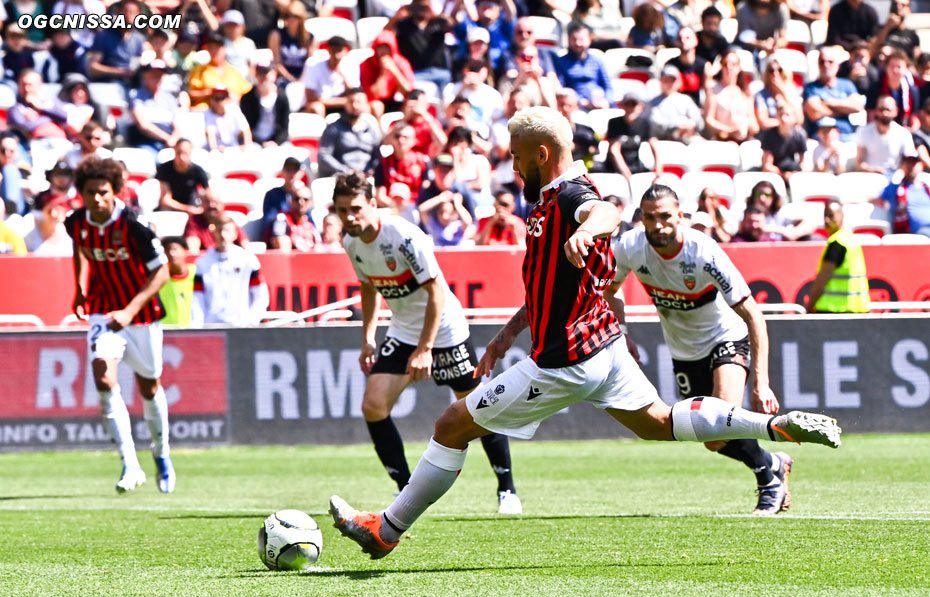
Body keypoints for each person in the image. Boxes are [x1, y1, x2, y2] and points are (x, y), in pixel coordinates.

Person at [328, 106, 842, 560]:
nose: (512, 166)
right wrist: (507, 334)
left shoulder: (573, 194)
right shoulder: (551, 197)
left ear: (542, 153)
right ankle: (772, 429)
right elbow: (552, 285)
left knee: (450, 426)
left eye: (516, 157)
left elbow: (608, 211)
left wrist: (586, 229)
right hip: (607, 349)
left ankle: (385, 530)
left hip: (565, 362)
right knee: (659, 422)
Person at [332, 170, 521, 512]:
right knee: (373, 406)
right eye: (342, 210)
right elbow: (369, 287)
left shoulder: (404, 236)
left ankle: (507, 489)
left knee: (478, 409)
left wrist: (425, 349)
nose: (350, 217)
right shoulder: (350, 242)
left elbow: (436, 292)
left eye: (356, 208)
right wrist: (368, 338)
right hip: (403, 331)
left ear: (373, 204)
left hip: (445, 330)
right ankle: (406, 489)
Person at [608, 185, 793, 515]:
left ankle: (769, 483)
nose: (658, 224)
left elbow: (753, 313)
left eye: (665, 216)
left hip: (725, 338)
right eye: (650, 218)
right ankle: (773, 462)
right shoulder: (630, 247)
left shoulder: (703, 252)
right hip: (683, 351)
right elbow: (610, 291)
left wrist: (760, 382)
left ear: (680, 216)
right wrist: (622, 332)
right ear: (642, 219)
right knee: (711, 439)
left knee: (721, 419)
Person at [65, 156, 175, 494]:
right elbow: (80, 250)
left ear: (114, 191)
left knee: (149, 387)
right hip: (102, 310)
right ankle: (130, 463)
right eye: (90, 193)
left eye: (103, 192)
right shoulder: (76, 222)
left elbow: (163, 272)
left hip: (140, 315)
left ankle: (161, 454)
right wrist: (80, 289)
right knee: (103, 375)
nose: (96, 199)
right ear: (81, 194)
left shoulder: (134, 225)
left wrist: (129, 310)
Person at [191, 216, 269, 327]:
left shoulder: (248, 260)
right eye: (219, 230)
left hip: (241, 326)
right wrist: (198, 324)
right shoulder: (202, 263)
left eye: (227, 231)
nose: (223, 235)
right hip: (212, 327)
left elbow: (260, 294)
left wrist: (252, 319)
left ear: (235, 234)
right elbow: (197, 298)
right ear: (213, 233)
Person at [804, 200, 870, 313]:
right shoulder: (851, 240)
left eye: (830, 215)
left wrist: (809, 306)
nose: (826, 220)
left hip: (834, 311)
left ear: (841, 215)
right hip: (856, 311)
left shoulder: (837, 243)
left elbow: (822, 279)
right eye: (825, 216)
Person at [802, 46, 864, 142]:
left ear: (837, 65)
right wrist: (843, 110)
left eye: (830, 62)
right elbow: (814, 113)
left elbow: (857, 106)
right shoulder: (811, 87)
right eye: (822, 62)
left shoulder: (847, 84)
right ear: (818, 65)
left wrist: (829, 102)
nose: (826, 65)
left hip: (846, 136)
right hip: (820, 138)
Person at [317, 89, 382, 178]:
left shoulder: (371, 130)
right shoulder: (334, 128)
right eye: (351, 102)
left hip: (367, 177)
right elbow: (324, 155)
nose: (355, 106)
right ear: (346, 103)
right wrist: (345, 171)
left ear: (366, 105)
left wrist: (371, 170)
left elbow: (377, 156)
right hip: (341, 178)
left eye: (359, 102)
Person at [552, 22, 612, 110]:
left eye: (581, 39)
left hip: (600, 105)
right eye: (574, 39)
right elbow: (561, 88)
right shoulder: (561, 62)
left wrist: (607, 101)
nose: (578, 43)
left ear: (589, 39)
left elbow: (608, 86)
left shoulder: (597, 61)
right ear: (569, 40)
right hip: (575, 107)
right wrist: (581, 101)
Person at [855, 95, 915, 177]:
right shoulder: (863, 131)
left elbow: (910, 160)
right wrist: (871, 170)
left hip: (894, 178)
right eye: (881, 109)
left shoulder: (904, 133)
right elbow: (859, 163)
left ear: (896, 111)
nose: (884, 113)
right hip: (869, 177)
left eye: (888, 110)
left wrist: (899, 174)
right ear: (876, 111)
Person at [361, 29, 415, 119]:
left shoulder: (401, 63)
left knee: (411, 105)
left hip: (393, 101)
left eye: (387, 47)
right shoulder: (366, 64)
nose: (383, 51)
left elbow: (409, 92)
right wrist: (383, 72)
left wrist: (395, 72)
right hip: (373, 103)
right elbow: (372, 95)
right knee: (377, 106)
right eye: (380, 47)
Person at [301, 36, 358, 117]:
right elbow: (310, 97)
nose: (337, 55)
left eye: (340, 51)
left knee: (362, 107)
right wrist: (342, 101)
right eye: (334, 51)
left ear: (345, 51)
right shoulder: (313, 65)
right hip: (322, 106)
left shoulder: (351, 65)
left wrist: (342, 74)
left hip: (344, 106)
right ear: (328, 50)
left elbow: (355, 94)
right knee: (317, 108)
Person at [239, 60, 289, 148]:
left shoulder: (282, 96)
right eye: (260, 73)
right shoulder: (247, 98)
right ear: (255, 75)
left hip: (277, 142)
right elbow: (246, 127)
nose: (263, 77)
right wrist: (262, 143)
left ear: (274, 74)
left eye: (266, 73)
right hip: (254, 142)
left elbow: (284, 127)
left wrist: (276, 142)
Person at [877, 153, 930, 234]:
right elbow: (875, 198)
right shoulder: (896, 189)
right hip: (918, 231)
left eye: (914, 163)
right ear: (902, 166)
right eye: (908, 163)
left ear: (921, 165)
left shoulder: (927, 187)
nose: (911, 166)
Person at [155, 139, 210, 215]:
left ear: (190, 153)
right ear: (174, 151)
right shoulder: (165, 169)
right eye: (179, 153)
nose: (181, 157)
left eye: (185, 153)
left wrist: (201, 208)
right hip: (169, 210)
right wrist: (187, 209)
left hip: (192, 207)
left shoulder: (198, 171)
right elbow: (165, 201)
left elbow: (208, 193)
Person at [760, 103, 808, 180]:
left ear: (794, 117)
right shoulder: (769, 135)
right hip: (774, 174)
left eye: (787, 115)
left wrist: (794, 174)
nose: (783, 118)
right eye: (781, 114)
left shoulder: (800, 135)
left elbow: (803, 164)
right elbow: (767, 165)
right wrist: (782, 175)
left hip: (792, 171)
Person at [266, 185, 320, 252]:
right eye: (297, 199)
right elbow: (283, 248)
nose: (301, 202)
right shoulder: (282, 219)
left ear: (311, 203)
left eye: (305, 199)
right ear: (291, 201)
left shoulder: (311, 222)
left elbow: (319, 247)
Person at [158, 236, 196, 327]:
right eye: (166, 250)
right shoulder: (159, 278)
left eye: (175, 249)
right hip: (167, 332)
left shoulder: (196, 273)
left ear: (185, 251)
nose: (171, 253)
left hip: (194, 331)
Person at [204, 85, 253, 153]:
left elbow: (246, 130)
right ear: (211, 99)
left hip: (235, 148)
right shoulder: (208, 114)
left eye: (222, 97)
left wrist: (246, 147)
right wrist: (215, 149)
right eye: (216, 98)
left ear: (228, 99)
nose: (219, 102)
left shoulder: (234, 110)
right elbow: (211, 136)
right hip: (217, 151)